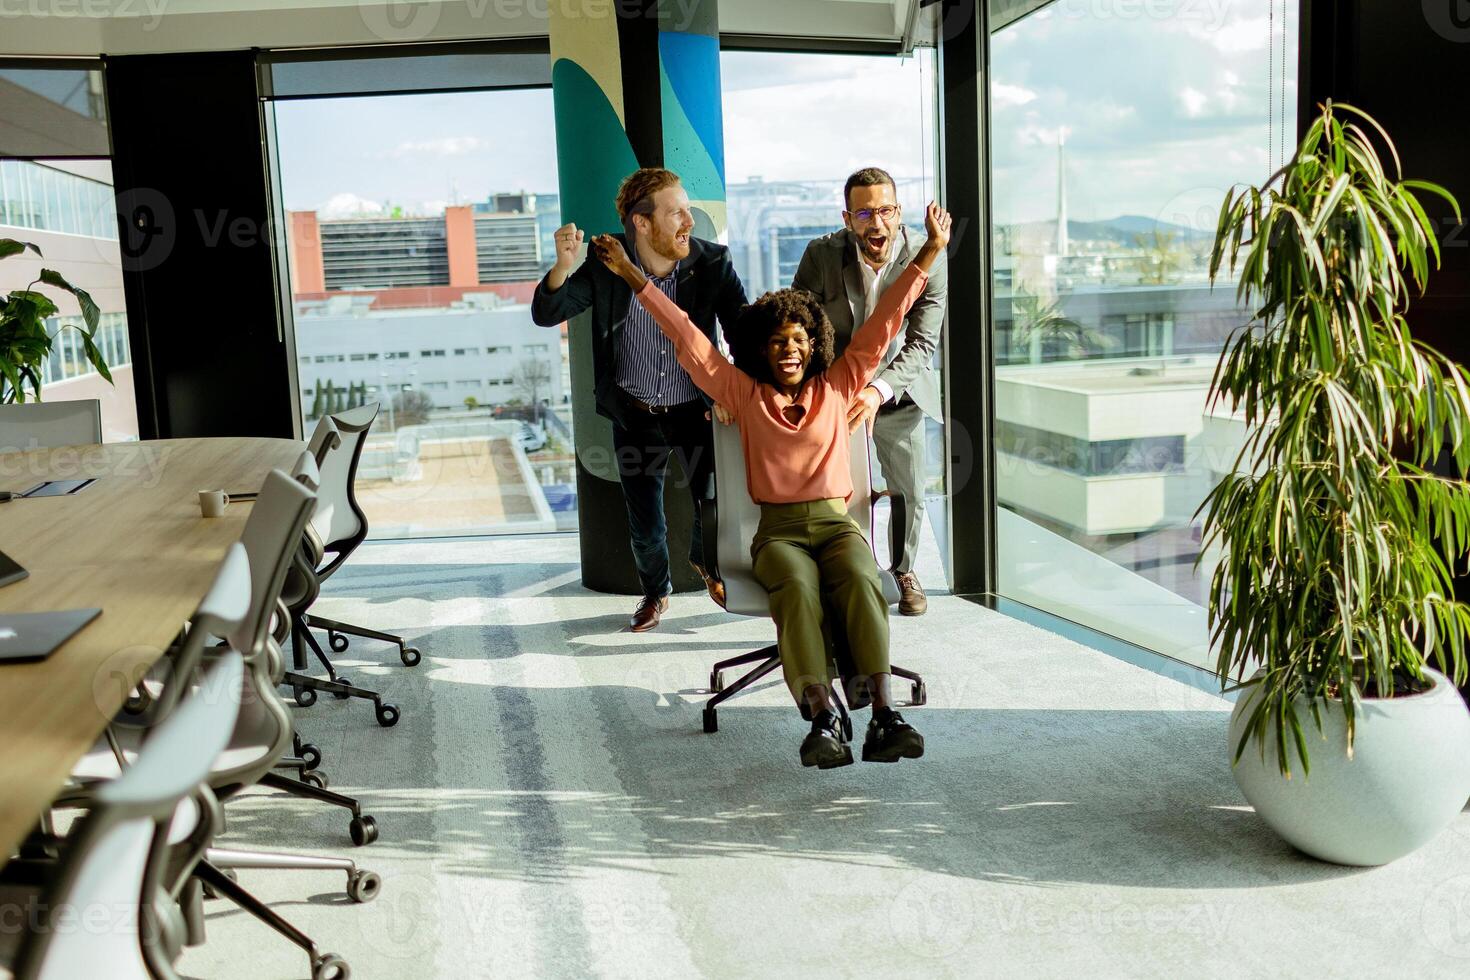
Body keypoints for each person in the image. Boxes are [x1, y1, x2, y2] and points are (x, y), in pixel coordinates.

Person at [591, 202, 952, 769]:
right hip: (777, 534)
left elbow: (887, 319)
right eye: (779, 342)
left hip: (838, 527)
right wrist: (633, 276)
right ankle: (822, 716)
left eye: (800, 341)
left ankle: (884, 714)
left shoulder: (839, 385)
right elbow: (686, 336)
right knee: (796, 591)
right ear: (762, 348)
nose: (789, 350)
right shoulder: (740, 394)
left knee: (862, 578)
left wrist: (930, 249)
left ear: (815, 346)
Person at [531, 168, 747, 631]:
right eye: (677, 213)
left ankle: (705, 565)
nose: (689, 220)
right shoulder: (607, 263)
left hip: (697, 410)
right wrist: (563, 267)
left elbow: (744, 337)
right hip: (635, 414)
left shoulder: (713, 264)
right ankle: (655, 592)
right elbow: (548, 314)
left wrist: (732, 392)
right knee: (646, 527)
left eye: (688, 209)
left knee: (714, 506)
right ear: (642, 224)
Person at [792, 167, 948, 616]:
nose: (875, 223)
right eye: (864, 213)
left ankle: (903, 569)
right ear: (847, 218)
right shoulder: (821, 256)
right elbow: (800, 324)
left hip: (898, 391)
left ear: (898, 213)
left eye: (884, 211)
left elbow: (923, 344)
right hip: (835, 393)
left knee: (908, 489)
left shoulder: (927, 256)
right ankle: (841, 572)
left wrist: (877, 390)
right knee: (833, 490)